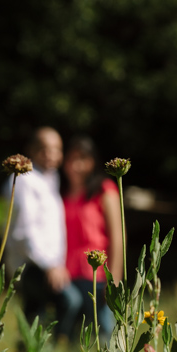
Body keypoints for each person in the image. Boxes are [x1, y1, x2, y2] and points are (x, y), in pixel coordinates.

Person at [3, 127, 82, 340]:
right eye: (44, 149)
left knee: (34, 315)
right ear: (31, 150)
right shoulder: (23, 181)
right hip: (31, 264)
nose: (50, 154)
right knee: (69, 300)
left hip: (48, 264)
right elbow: (23, 231)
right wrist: (50, 265)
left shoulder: (51, 180)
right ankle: (55, 350)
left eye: (56, 149)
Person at [61, 135, 123, 341]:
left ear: (92, 162)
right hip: (69, 278)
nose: (77, 165)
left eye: (83, 159)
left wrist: (114, 279)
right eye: (72, 158)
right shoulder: (62, 194)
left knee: (105, 335)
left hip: (98, 276)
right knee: (74, 340)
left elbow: (117, 237)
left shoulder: (105, 189)